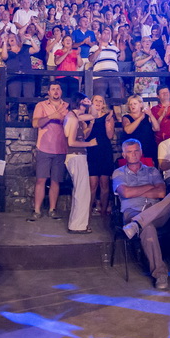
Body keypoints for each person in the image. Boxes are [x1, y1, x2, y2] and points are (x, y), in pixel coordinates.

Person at [114, 138, 170, 289]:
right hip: (132, 212)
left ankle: (137, 224)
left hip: (155, 212)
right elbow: (126, 192)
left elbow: (162, 192)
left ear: (141, 152)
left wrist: (137, 191)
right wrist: (150, 187)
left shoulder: (152, 170)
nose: (134, 154)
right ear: (124, 154)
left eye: (136, 151)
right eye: (129, 152)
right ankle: (160, 275)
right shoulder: (118, 173)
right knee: (148, 227)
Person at [30, 82, 68, 221]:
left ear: (61, 91)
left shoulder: (67, 107)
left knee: (56, 181)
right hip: (44, 147)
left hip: (61, 148)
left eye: (58, 89)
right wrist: (52, 116)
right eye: (53, 89)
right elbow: (35, 123)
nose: (56, 91)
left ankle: (52, 210)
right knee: (41, 180)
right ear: (49, 92)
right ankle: (37, 210)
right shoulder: (41, 106)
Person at [64, 93, 97, 233]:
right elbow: (71, 142)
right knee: (82, 192)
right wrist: (89, 143)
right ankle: (77, 226)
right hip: (75, 156)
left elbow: (94, 115)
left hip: (78, 156)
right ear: (79, 103)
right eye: (84, 104)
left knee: (82, 191)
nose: (86, 107)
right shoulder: (72, 118)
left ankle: (78, 224)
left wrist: (91, 104)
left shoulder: (76, 117)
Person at [87, 93, 117, 216]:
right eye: (96, 100)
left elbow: (110, 135)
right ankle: (87, 210)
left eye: (100, 101)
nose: (98, 103)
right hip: (92, 150)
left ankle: (103, 211)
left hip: (104, 150)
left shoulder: (107, 117)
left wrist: (107, 122)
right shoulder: (87, 117)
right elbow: (85, 136)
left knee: (104, 182)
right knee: (92, 183)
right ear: (92, 102)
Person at [122, 94, 158, 162]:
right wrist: (140, 118)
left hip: (149, 148)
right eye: (130, 104)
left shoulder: (147, 116)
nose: (132, 106)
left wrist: (150, 115)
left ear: (141, 105)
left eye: (135, 103)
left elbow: (156, 128)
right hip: (134, 150)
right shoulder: (126, 117)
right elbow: (128, 130)